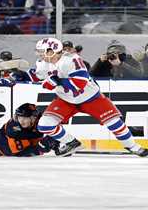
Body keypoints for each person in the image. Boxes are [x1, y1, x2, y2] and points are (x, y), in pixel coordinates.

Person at [16, 37, 148, 157]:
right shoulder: (43, 62)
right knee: (44, 125)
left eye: (42, 51)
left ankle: (133, 146)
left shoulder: (72, 60)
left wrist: (58, 81)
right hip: (66, 100)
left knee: (115, 123)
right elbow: (37, 75)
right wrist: (20, 75)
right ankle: (72, 143)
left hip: (91, 98)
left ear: (52, 51)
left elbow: (80, 82)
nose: (39, 54)